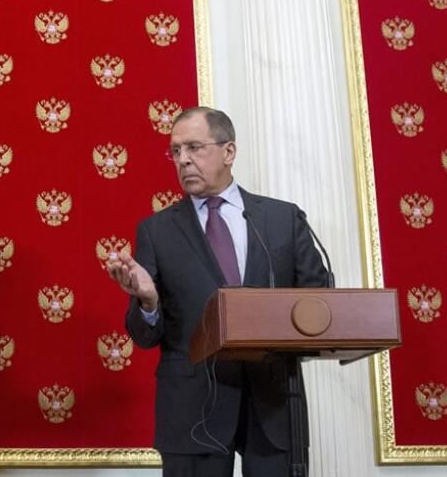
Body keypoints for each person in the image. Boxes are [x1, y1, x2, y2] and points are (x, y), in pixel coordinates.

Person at [107, 106, 329, 477]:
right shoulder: (156, 232)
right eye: (175, 151)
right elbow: (146, 336)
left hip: (274, 403)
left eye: (194, 147)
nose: (183, 160)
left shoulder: (282, 220)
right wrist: (148, 302)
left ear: (229, 152)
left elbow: (319, 302)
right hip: (192, 406)